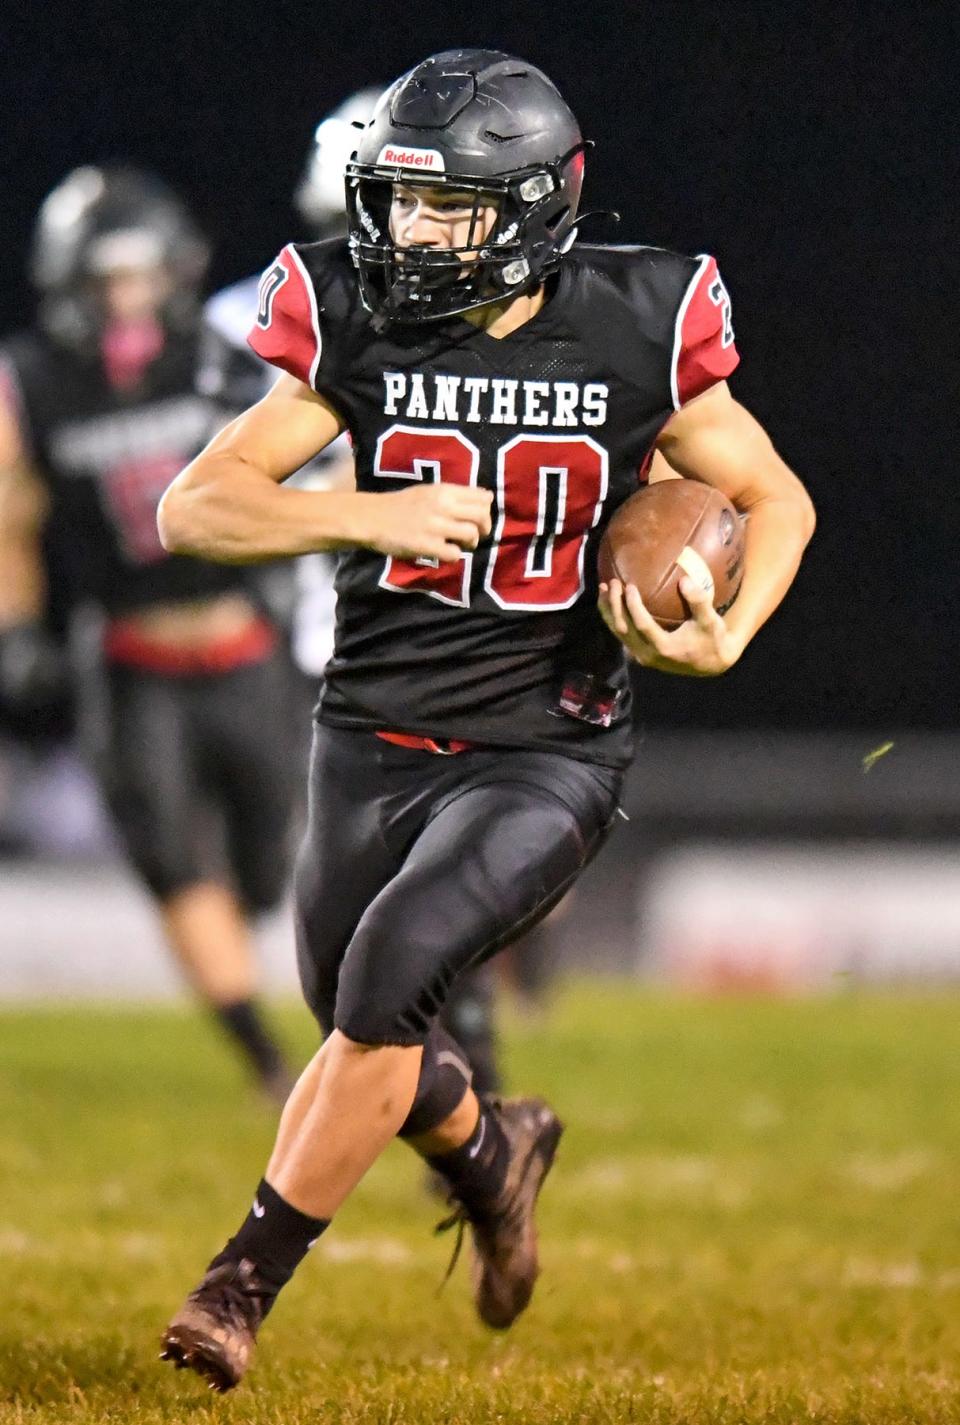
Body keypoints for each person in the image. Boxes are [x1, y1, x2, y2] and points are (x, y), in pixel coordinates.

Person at [158, 48, 815, 1391]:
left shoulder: (639, 320)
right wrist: (362, 508)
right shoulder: (356, 316)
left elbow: (779, 497)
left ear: (528, 209)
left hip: (546, 739)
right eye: (400, 203)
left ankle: (238, 1286)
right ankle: (492, 1151)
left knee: (389, 978)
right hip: (373, 723)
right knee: (351, 1002)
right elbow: (194, 507)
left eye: (448, 208)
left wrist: (726, 633)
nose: (412, 234)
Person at [0, 166, 299, 1100]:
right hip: (128, 659)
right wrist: (15, 626)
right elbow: (10, 516)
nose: (125, 302)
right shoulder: (33, 382)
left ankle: (263, 988)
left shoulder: (224, 359)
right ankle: (262, 1054)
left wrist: (296, 558)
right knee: (171, 860)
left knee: (269, 860)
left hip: (243, 641)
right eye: (104, 283)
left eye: (140, 278)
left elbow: (304, 464)